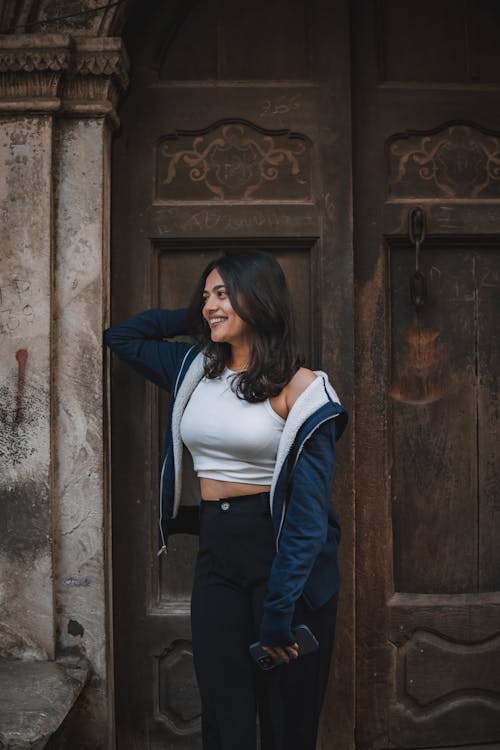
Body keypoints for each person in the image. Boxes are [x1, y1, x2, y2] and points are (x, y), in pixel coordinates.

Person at [104, 250, 347, 750]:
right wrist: (200, 317)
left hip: (285, 562)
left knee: (286, 722)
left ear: (259, 301)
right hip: (218, 557)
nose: (210, 305)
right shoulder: (193, 368)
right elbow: (122, 336)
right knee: (223, 715)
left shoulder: (303, 390)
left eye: (223, 294)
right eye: (206, 294)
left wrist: (281, 608)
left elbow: (307, 517)